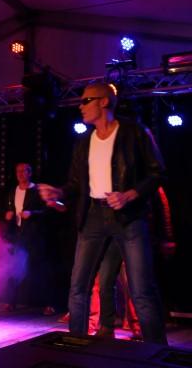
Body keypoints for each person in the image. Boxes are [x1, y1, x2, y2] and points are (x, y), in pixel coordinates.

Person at [39, 82, 167, 344]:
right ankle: (77, 345)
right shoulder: (83, 143)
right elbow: (76, 184)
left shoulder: (134, 132)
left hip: (129, 217)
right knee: (79, 287)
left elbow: (157, 173)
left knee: (141, 290)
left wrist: (130, 194)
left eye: (86, 101)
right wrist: (58, 192)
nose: (80, 106)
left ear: (104, 102)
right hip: (93, 216)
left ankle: (156, 352)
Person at [4, 162, 54, 315]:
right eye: (17, 171)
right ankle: (11, 301)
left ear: (29, 173)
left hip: (35, 236)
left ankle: (48, 304)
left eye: (23, 171)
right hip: (19, 236)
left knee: (39, 269)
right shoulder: (13, 191)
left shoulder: (36, 190)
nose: (20, 174)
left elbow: (47, 211)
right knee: (15, 268)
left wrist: (32, 214)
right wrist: (9, 214)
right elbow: (11, 209)